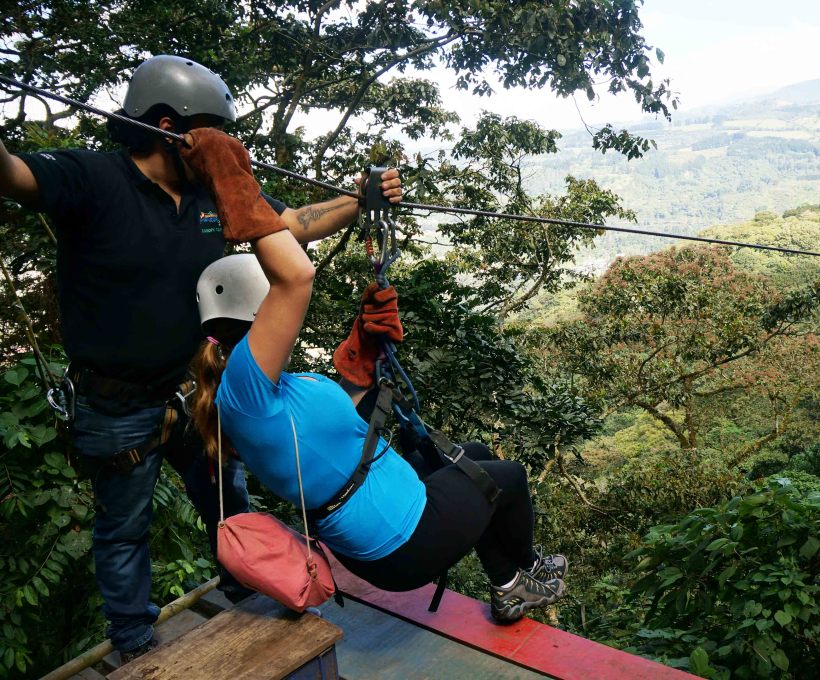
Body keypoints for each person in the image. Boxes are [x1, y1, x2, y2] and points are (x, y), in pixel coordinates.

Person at [0, 54, 402, 661]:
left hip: (193, 391)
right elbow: (12, 175)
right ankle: (136, 645)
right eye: (215, 130)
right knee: (124, 528)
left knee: (227, 499)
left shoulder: (214, 191)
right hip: (117, 403)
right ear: (170, 125)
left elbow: (290, 224)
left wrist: (361, 197)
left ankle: (247, 586)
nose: (226, 146)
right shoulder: (93, 179)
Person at [183, 128, 567, 624]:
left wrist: (364, 342)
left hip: (386, 520)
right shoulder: (243, 387)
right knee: (506, 480)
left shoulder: (263, 387)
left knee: (470, 457)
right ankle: (521, 574)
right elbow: (296, 276)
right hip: (399, 541)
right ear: (259, 305)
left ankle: (506, 585)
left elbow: (345, 414)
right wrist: (230, 178)